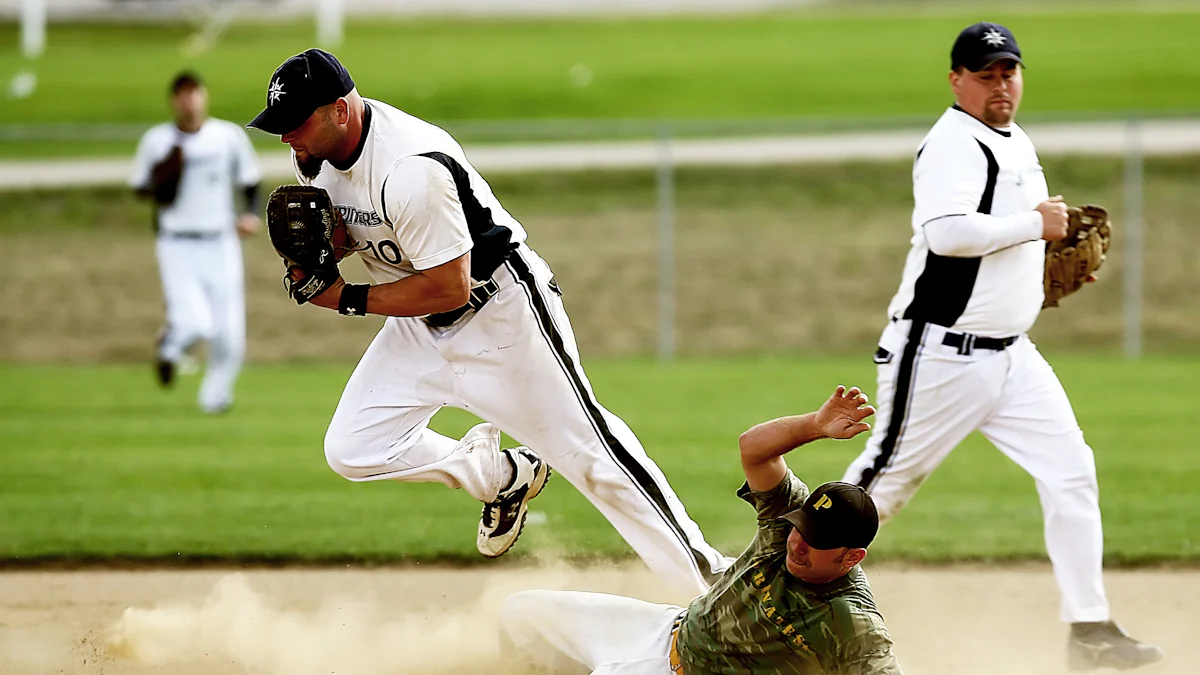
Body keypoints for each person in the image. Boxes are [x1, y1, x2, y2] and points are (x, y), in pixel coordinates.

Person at [245, 49, 729, 595]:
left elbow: (448, 285)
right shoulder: (316, 156)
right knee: (353, 447)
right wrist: (316, 256)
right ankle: (503, 476)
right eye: (278, 126)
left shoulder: (411, 169)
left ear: (339, 110)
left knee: (593, 458)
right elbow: (352, 234)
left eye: (295, 123)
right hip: (419, 326)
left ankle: (713, 582)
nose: (287, 138)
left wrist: (342, 297)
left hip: (501, 317)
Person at [839, 22, 1162, 671]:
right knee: (878, 489)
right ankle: (766, 582)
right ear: (957, 79)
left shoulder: (1015, 141)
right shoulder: (954, 145)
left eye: (1008, 71)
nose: (1000, 85)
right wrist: (1035, 225)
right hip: (939, 355)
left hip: (1011, 354)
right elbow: (947, 233)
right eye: (985, 74)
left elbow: (1003, 247)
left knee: (1072, 471)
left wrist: (1036, 275)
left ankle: (1089, 628)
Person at [503, 385, 902, 675]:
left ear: (852, 557)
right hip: (664, 630)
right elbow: (754, 450)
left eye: (818, 543)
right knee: (520, 614)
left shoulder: (849, 619)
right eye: (802, 529)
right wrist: (813, 425)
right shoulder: (788, 525)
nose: (799, 544)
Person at [130, 71, 262, 414]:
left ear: (204, 96)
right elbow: (141, 187)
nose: (189, 100)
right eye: (182, 94)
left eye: (194, 93)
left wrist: (250, 214)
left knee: (229, 331)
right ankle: (171, 348)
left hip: (221, 241)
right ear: (173, 100)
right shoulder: (158, 141)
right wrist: (163, 179)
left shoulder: (226, 137)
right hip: (177, 243)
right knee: (196, 323)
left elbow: (249, 180)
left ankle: (214, 398)